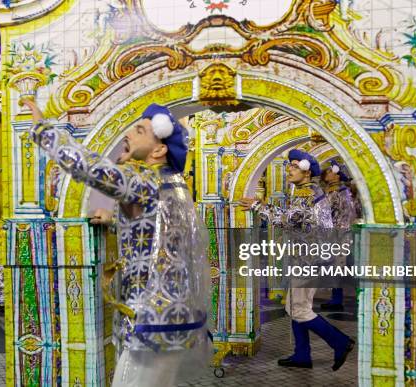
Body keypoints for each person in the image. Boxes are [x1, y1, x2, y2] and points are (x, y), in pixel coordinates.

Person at [24, 100, 211, 387]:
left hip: (153, 321)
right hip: (171, 316)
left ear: (159, 150)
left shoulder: (144, 181)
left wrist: (43, 129)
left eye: (139, 131)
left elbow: (89, 168)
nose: (128, 135)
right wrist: (115, 220)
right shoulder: (172, 186)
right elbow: (158, 236)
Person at [239, 149, 354, 371]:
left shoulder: (306, 193)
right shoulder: (307, 190)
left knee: (298, 309)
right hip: (310, 258)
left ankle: (340, 342)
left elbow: (286, 220)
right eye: (288, 166)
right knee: (297, 305)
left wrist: (257, 206)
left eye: (293, 166)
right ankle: (302, 354)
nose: (288, 170)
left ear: (306, 170)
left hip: (309, 261)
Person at [320, 160, 355, 311]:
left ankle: (337, 300)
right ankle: (336, 299)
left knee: (338, 267)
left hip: (339, 235)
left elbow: (324, 213)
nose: (326, 173)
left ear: (336, 176)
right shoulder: (342, 191)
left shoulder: (336, 193)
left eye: (329, 171)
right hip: (343, 233)